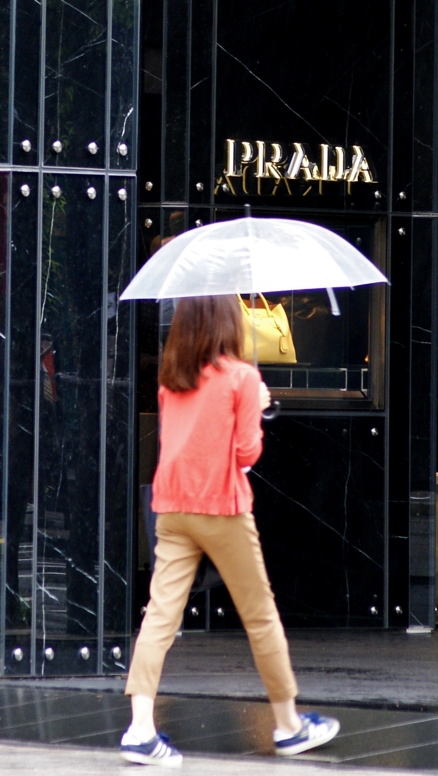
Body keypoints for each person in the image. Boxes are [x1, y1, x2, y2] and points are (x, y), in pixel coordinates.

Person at [121, 295, 339, 767]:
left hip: (172, 507)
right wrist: (257, 405)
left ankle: (140, 729)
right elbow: (245, 455)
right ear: (227, 321)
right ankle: (287, 724)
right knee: (260, 616)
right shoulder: (242, 377)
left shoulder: (170, 378)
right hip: (221, 507)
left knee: (160, 614)